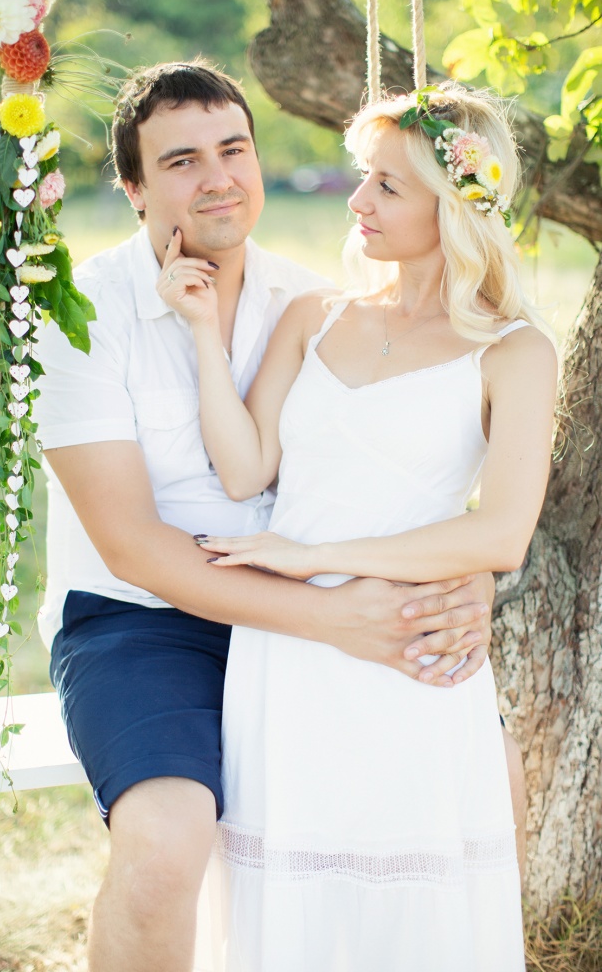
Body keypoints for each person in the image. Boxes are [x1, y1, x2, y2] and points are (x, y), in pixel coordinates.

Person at [34, 62, 511, 972]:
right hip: (143, 623)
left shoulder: (315, 305)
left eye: (233, 149)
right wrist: (332, 617)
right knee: (167, 842)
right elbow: (133, 547)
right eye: (181, 161)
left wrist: (464, 581)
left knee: (490, 786)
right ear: (133, 189)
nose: (218, 178)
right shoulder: (81, 316)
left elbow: (398, 468)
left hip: (321, 596)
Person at [158, 82, 557, 970]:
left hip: (410, 652)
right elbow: (245, 469)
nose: (357, 201)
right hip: (286, 658)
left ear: (451, 206)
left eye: (387, 185)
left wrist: (313, 557)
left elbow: (500, 535)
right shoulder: (317, 316)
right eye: (363, 176)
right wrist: (202, 332)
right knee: (287, 903)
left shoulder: (515, 351)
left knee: (408, 907)